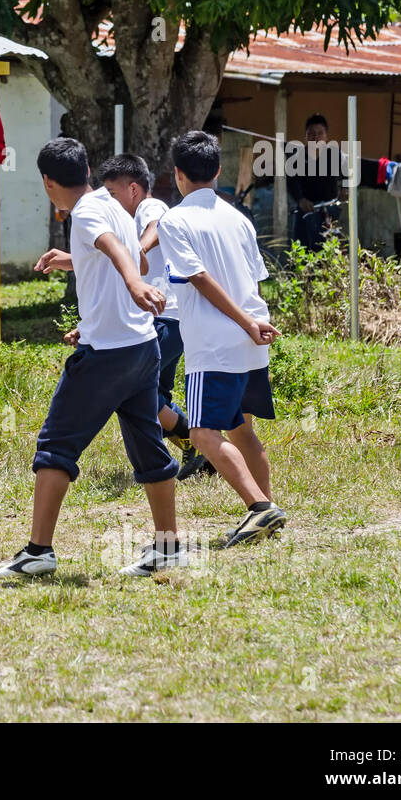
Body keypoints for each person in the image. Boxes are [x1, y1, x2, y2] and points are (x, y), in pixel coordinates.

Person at [0, 138, 182, 580]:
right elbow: (128, 254)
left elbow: (117, 252)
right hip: (142, 347)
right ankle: (169, 546)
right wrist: (77, 261)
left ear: (46, 182)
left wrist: (134, 288)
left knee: (56, 446)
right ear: (90, 170)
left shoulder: (86, 212)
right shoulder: (112, 203)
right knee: (148, 449)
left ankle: (38, 551)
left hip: (106, 356)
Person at [157, 131, 288, 549]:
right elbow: (251, 282)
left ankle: (260, 508)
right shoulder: (239, 218)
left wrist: (245, 323)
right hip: (251, 340)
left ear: (178, 174)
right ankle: (266, 511)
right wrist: (253, 325)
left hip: (214, 345)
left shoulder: (175, 220)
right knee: (242, 431)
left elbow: (196, 276)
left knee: (201, 435)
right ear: (217, 171)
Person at [98, 154, 211, 481]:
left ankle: (196, 446)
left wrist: (140, 251)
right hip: (165, 319)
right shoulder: (122, 226)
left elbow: (158, 225)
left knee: (129, 389)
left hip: (164, 319)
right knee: (151, 395)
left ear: (133, 189)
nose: (109, 199)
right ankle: (198, 448)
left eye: (112, 192)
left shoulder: (150, 206)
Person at [288, 113, 348, 251]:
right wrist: (300, 199)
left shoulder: (334, 154)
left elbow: (347, 172)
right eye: (311, 134)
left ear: (326, 136)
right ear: (305, 136)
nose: (316, 138)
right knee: (302, 249)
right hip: (306, 209)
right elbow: (292, 182)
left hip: (329, 208)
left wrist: (345, 189)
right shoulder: (297, 157)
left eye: (320, 134)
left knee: (331, 247)